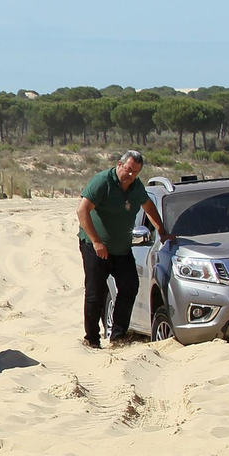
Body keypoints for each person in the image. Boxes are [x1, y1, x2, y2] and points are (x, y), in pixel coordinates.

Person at [77, 149, 172, 349]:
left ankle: (118, 335)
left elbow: (148, 206)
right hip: (95, 247)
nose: (130, 175)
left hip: (121, 249)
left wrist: (161, 230)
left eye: (135, 172)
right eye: (128, 170)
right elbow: (82, 210)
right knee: (96, 292)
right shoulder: (103, 181)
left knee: (129, 286)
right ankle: (91, 338)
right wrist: (96, 241)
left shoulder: (136, 187)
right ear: (119, 165)